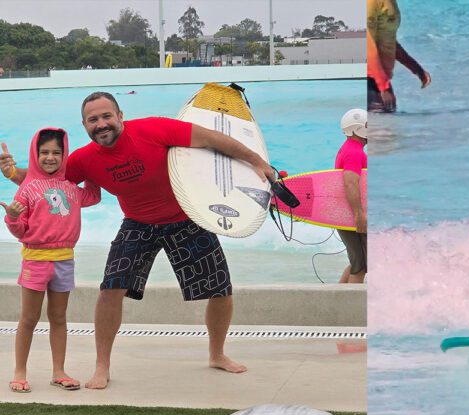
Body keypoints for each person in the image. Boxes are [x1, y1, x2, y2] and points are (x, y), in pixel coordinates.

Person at [0, 92, 277, 389]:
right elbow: (46, 180)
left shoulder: (154, 130)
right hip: (137, 224)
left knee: (220, 288)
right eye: (93, 120)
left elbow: (211, 139)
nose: (101, 124)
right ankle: (102, 366)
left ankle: (217, 354)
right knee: (110, 289)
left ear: (120, 116)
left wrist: (257, 161)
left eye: (107, 116)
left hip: (183, 217)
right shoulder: (84, 159)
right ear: (84, 125)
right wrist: (13, 172)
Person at [1, 129, 100, 393]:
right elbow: (20, 229)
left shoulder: (71, 187)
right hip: (35, 261)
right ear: (35, 154)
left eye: (56, 152)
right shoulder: (28, 188)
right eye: (44, 152)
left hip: (65, 261)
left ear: (64, 154)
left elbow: (94, 196)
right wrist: (11, 216)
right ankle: (20, 372)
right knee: (29, 319)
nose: (50, 157)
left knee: (58, 317)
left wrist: (92, 168)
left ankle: (59, 371)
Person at [367, 0, 431, 112]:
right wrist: (383, 85)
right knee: (381, 126)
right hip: (370, 82)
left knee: (389, 125)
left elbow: (387, 40)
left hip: (379, 79)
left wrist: (416, 69)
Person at [336, 109, 368, 283]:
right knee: (361, 265)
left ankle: (338, 302)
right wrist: (358, 214)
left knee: (359, 262)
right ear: (356, 129)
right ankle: (349, 309)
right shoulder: (355, 152)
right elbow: (350, 183)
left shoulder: (348, 149)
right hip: (352, 214)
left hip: (346, 212)